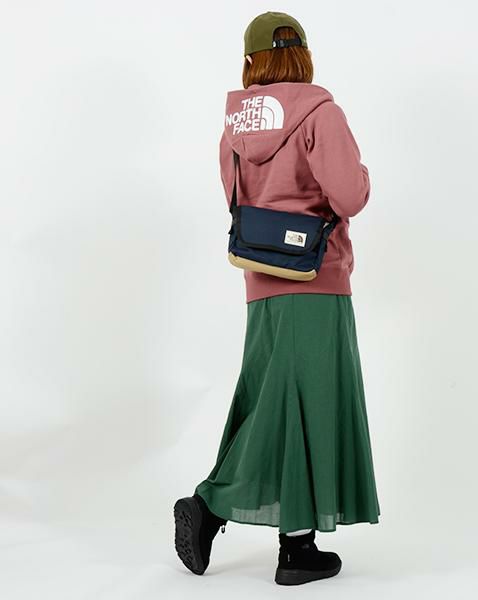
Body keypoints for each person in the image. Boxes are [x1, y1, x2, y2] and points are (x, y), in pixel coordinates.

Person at [174, 11, 381, 586]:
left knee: (282, 401)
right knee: (300, 404)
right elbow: (349, 195)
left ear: (251, 62)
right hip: (315, 280)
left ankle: (297, 546)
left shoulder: (235, 127)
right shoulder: (320, 113)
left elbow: (233, 196)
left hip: (262, 279)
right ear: (303, 54)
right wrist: (362, 174)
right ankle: (212, 504)